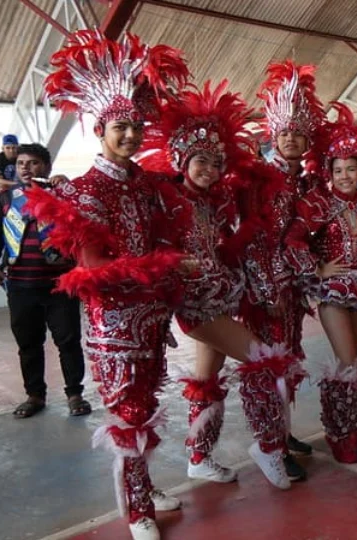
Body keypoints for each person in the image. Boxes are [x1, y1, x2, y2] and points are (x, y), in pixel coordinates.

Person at [24, 31, 191, 540]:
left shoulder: (146, 185)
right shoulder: (82, 190)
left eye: (137, 128)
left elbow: (166, 237)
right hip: (113, 321)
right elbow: (94, 269)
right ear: (100, 129)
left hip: (153, 317)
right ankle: (137, 507)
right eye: (121, 127)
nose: (131, 136)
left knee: (150, 401)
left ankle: (146, 485)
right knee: (129, 411)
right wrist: (164, 268)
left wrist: (173, 270)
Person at [139, 81, 300, 489]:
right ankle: (267, 448)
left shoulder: (215, 201)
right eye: (200, 161)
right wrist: (178, 264)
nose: (208, 170)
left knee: (206, 380)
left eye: (214, 162)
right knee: (264, 362)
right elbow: (155, 248)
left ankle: (199, 457)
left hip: (219, 299)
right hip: (195, 306)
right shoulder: (167, 199)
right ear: (181, 159)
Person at [284, 103, 357, 463]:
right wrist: (317, 269)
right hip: (334, 290)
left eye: (351, 169)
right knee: (346, 359)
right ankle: (338, 434)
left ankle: (353, 427)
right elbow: (294, 239)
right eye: (339, 170)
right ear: (329, 172)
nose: (346, 176)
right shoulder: (317, 202)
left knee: (353, 363)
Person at [239, 60, 329, 478]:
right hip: (264, 287)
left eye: (298, 134)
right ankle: (270, 445)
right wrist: (264, 287)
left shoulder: (308, 184)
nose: (292, 139)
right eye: (285, 133)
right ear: (274, 136)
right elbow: (251, 236)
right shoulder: (258, 178)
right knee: (267, 363)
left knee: (289, 358)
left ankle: (284, 431)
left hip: (294, 286)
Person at [0, 143, 90, 419]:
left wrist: (68, 188)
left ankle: (75, 394)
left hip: (59, 284)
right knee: (28, 343)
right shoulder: (7, 199)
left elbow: (84, 223)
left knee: (68, 340)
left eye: (34, 163)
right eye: (21, 164)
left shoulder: (64, 197)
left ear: (48, 168)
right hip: (19, 285)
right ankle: (34, 395)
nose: (26, 168)